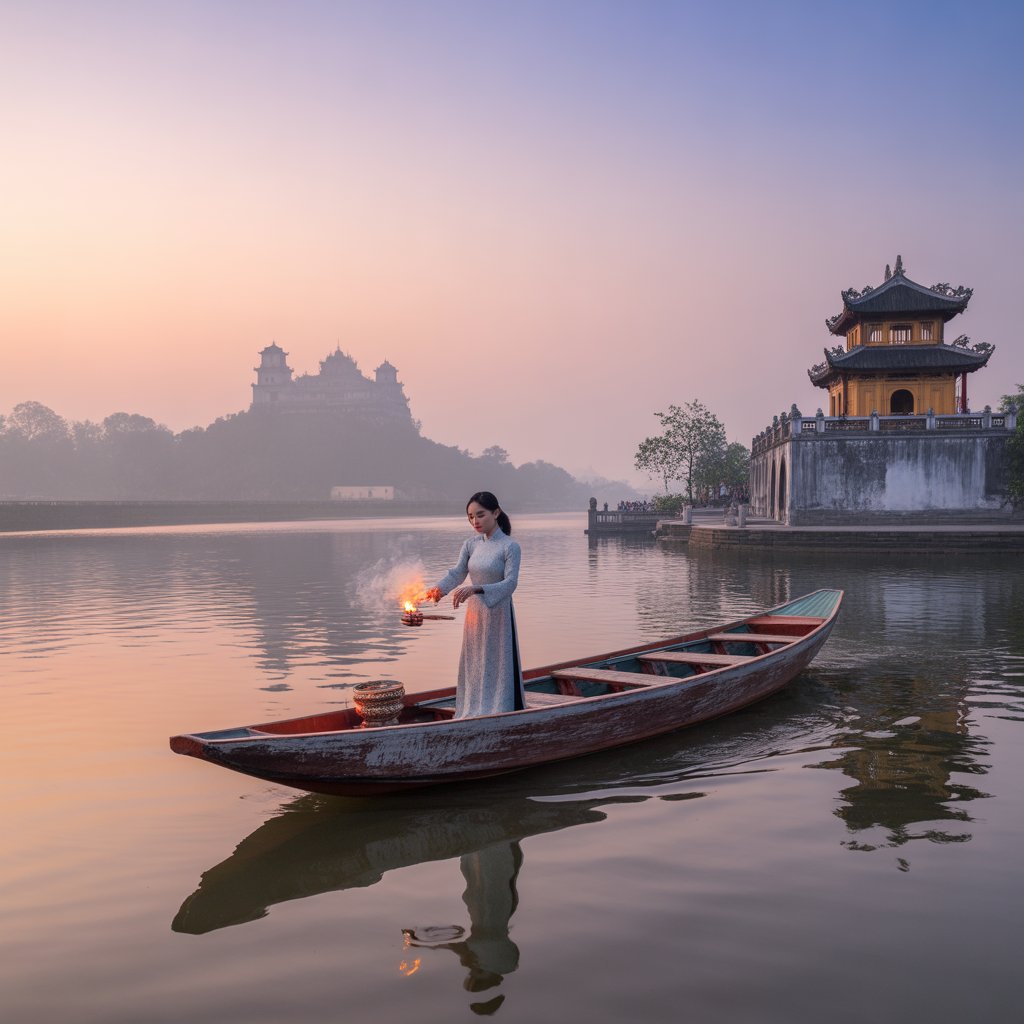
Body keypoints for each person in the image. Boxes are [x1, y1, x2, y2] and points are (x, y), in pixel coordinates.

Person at [422, 491, 525, 718]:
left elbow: (511, 583)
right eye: (470, 517)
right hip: (475, 615)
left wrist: (477, 589)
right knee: (475, 662)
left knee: (497, 663)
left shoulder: (510, 546)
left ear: (495, 513)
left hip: (498, 612)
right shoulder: (471, 544)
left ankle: (500, 711)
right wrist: (438, 590)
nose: (475, 521)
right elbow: (458, 573)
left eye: (480, 515)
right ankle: (472, 710)